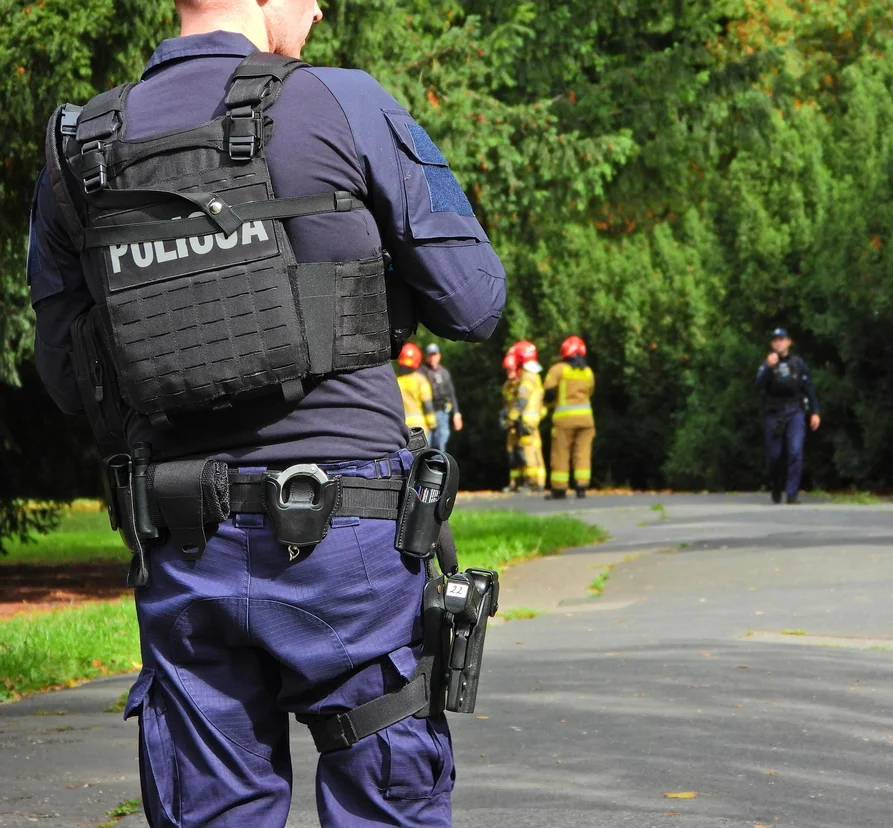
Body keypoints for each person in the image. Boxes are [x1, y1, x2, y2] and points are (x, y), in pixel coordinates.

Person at [27, 1, 506, 825]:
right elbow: (474, 300)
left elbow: (71, 380)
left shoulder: (77, 145)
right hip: (351, 542)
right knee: (386, 794)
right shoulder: (345, 100)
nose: (318, 8)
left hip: (183, 543)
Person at [755, 328, 821, 504]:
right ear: (771, 344)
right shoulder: (767, 363)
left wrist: (815, 411)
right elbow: (758, 384)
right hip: (774, 412)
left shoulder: (798, 363)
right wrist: (769, 367)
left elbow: (809, 387)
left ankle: (792, 493)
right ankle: (776, 487)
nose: (778, 342)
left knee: (795, 451)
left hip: (795, 411)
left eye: (781, 339)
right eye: (775, 340)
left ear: (789, 342)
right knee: (774, 455)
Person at [543, 335, 595, 499]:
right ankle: (582, 487)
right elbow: (590, 392)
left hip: (564, 420)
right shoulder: (588, 372)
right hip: (586, 420)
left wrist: (548, 405)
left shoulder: (558, 369)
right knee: (583, 452)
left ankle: (559, 489)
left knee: (561, 452)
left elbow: (549, 393)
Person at [505, 340, 546, 492]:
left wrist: (511, 417)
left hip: (527, 420)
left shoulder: (527, 377)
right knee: (535, 449)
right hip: (534, 419)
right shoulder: (535, 375)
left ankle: (531, 482)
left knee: (528, 450)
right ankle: (539, 482)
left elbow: (521, 401)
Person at [419, 343, 462, 452]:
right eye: (430, 355)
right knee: (426, 446)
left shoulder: (444, 372)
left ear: (439, 356)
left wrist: (456, 413)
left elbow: (451, 394)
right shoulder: (421, 372)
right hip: (426, 414)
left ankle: (439, 463)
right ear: (426, 356)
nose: (432, 358)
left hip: (442, 412)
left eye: (434, 355)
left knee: (440, 445)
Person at [397, 342, 437, 433]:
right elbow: (427, 404)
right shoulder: (420, 380)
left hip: (402, 429)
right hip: (420, 428)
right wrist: (432, 423)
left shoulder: (396, 381)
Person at [500, 348, 524, 492]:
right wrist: (504, 418)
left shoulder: (521, 384)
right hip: (511, 425)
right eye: (507, 370)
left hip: (522, 424)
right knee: (511, 454)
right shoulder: (506, 386)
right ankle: (514, 482)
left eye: (511, 370)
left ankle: (527, 482)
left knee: (523, 453)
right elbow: (506, 405)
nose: (509, 373)